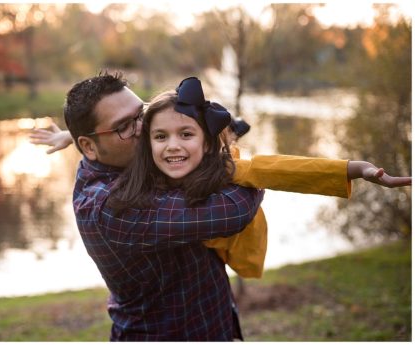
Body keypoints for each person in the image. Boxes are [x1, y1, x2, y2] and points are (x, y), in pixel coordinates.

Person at [54, 71, 409, 340]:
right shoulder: (108, 208)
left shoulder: (136, 160)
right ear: (88, 146)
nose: (144, 126)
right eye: (125, 127)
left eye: (141, 113)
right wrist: (237, 166)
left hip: (216, 320)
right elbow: (231, 211)